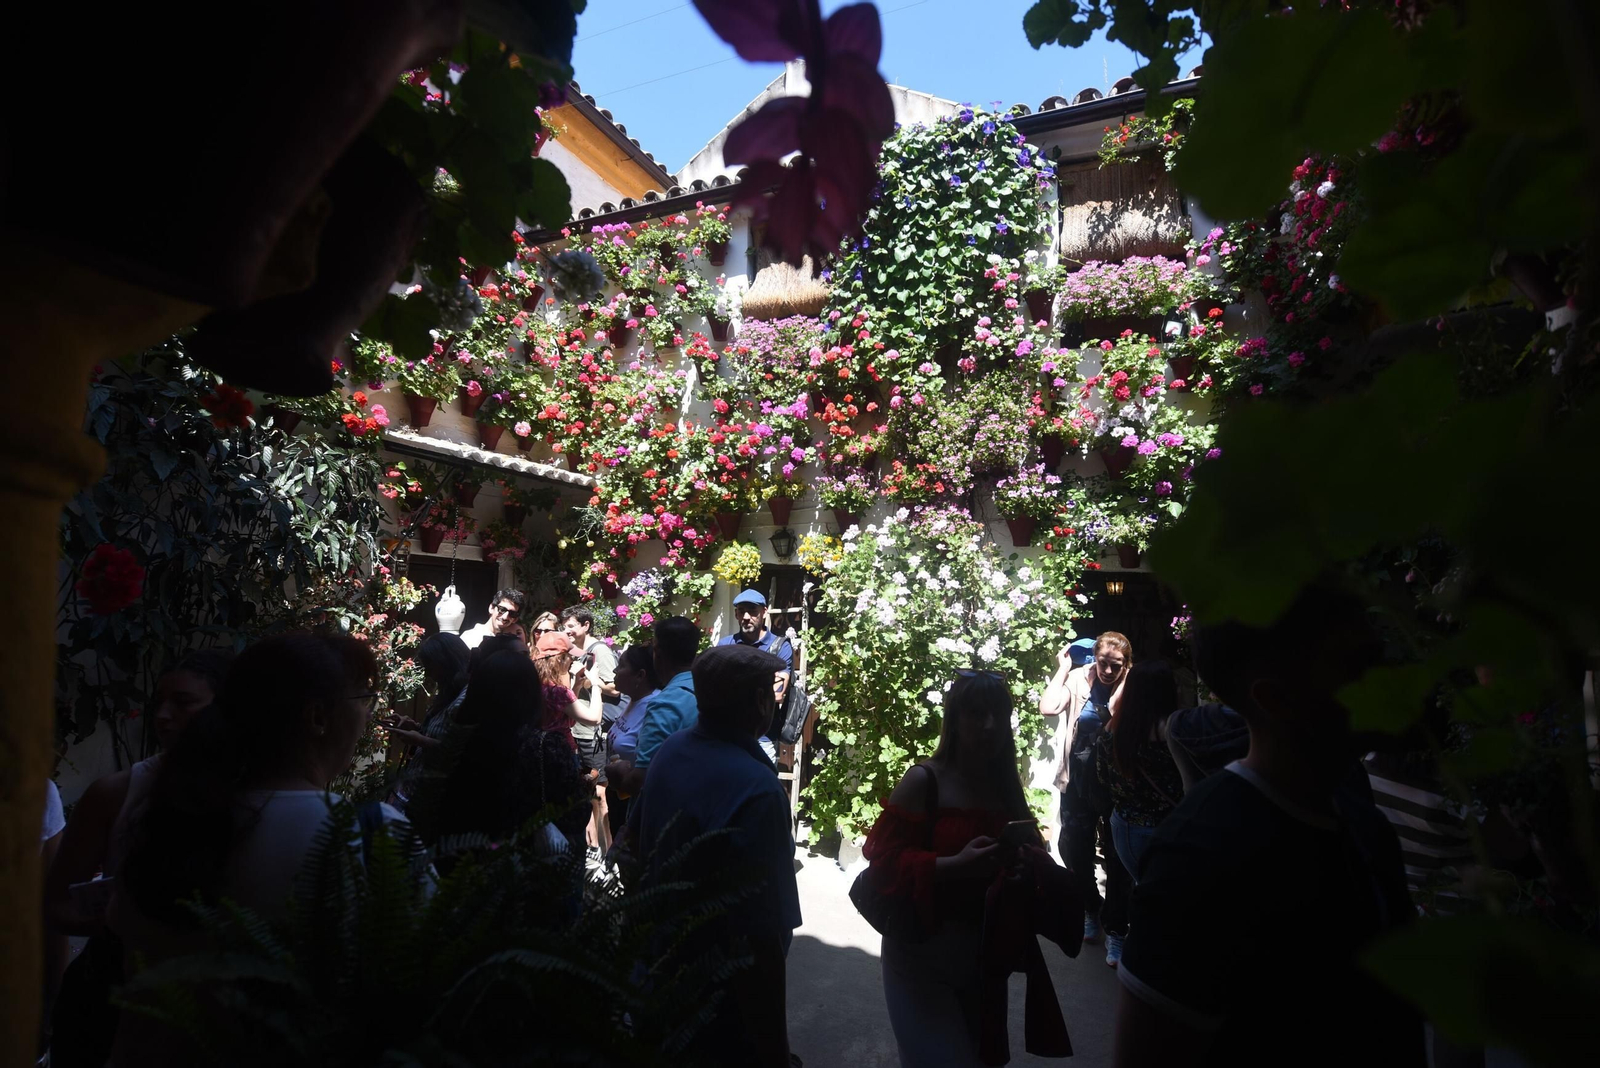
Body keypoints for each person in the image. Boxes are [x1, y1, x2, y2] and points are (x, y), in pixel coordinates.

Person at [1112, 587, 1425, 1068]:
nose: (1387, 674)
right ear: (1276, 698)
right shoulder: (1199, 855)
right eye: (1355, 663)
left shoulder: (1360, 818)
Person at [861, 670, 1064, 1067]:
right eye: (976, 713)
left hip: (984, 960)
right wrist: (953, 865)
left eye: (998, 715)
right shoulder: (924, 781)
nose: (989, 725)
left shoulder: (1005, 785)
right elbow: (881, 864)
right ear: (954, 719)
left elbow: (1033, 854)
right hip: (919, 955)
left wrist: (1023, 866)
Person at [45, 649, 233, 1068]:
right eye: (159, 704)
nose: (164, 716)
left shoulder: (258, 794)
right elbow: (56, 905)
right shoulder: (115, 793)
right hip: (112, 994)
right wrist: (125, 921)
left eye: (183, 703)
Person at [630, 644, 800, 1068]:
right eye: (768, 690)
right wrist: (776, 1055)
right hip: (720, 1000)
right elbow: (761, 936)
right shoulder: (757, 790)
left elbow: (635, 848)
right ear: (759, 701)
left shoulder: (672, 751)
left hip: (661, 975)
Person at [426, 648, 588, 856]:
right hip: (527, 863)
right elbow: (576, 815)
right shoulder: (545, 746)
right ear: (531, 694)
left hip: (464, 859)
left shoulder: (458, 741)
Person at [1039, 631, 1133, 961]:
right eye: (1103, 663)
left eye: (1116, 665)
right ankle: (1092, 907)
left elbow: (1112, 714)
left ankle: (1118, 928)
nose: (1108, 671)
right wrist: (1064, 669)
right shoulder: (1080, 678)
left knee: (1118, 858)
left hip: (1117, 785)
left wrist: (1125, 681)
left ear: (1126, 663)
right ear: (1094, 658)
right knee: (1072, 849)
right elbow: (1048, 707)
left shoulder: (1132, 686)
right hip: (1078, 780)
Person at [1095, 660, 1184, 884]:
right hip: (1174, 824)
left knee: (1144, 888)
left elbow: (1103, 778)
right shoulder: (1179, 730)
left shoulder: (1112, 730)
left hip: (1127, 825)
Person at [610, 616, 701, 803]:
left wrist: (617, 773)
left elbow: (641, 780)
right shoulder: (705, 687)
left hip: (669, 809)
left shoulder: (664, 704)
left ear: (657, 652)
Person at [384, 632, 471, 810]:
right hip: (416, 790)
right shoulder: (448, 691)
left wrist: (418, 739)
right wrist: (415, 727)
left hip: (436, 799)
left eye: (430, 666)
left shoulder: (467, 697)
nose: (427, 673)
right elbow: (442, 732)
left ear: (447, 662)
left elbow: (462, 751)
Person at [717, 588, 794, 759]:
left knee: (760, 785)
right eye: (741, 611)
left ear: (764, 612)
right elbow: (714, 689)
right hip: (728, 735)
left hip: (763, 737)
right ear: (736, 615)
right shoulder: (725, 645)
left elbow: (777, 694)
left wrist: (734, 684)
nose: (746, 617)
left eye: (752, 611)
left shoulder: (779, 646)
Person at [603, 644, 660, 836]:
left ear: (640, 675)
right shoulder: (633, 701)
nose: (615, 671)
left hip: (636, 803)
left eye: (621, 665)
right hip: (620, 795)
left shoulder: (654, 707)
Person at [460, 587, 527, 650]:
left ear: (515, 619)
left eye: (512, 613)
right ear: (491, 608)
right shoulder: (470, 637)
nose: (505, 617)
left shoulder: (511, 644)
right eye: (502, 609)